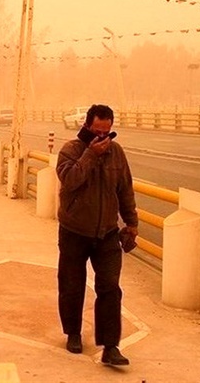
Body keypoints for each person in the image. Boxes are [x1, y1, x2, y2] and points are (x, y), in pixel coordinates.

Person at [55, 104, 139, 366]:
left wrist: (132, 223)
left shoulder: (117, 153)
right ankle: (73, 333)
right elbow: (70, 181)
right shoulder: (70, 150)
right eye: (97, 131)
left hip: (107, 233)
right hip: (74, 231)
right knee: (71, 285)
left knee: (110, 288)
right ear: (88, 126)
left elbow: (125, 189)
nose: (103, 137)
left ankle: (111, 346)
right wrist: (90, 155)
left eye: (107, 132)